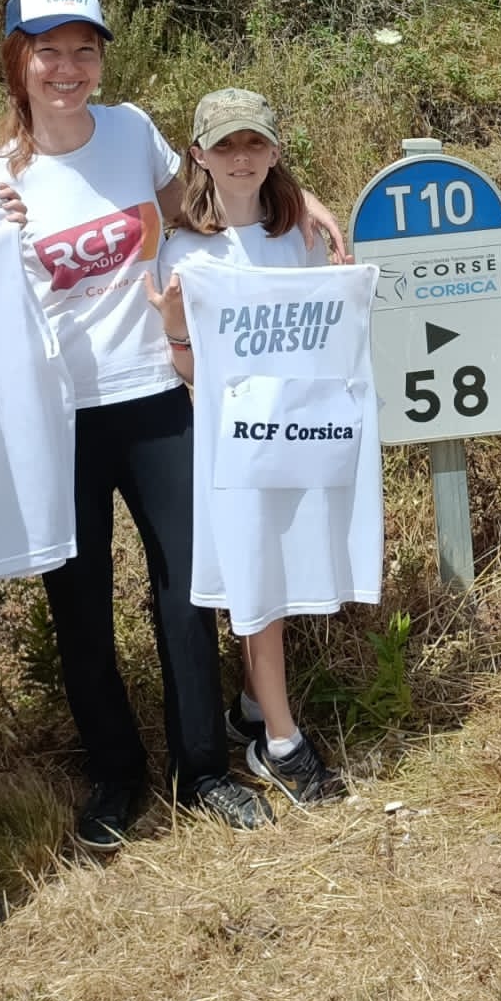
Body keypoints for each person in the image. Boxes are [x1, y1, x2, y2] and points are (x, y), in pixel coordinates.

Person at [0, 0, 344, 847]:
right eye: (47, 52)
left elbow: (206, 209)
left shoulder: (132, 131)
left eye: (84, 50)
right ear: (17, 62)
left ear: (102, 59)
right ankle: (114, 775)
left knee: (190, 587)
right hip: (58, 416)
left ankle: (203, 768)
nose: (67, 68)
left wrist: (301, 201)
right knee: (80, 602)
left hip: (155, 394)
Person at [144, 88, 347, 809]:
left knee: (283, 575)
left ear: (275, 150)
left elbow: (322, 338)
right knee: (257, 583)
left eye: (254, 143)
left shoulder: (298, 237)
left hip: (297, 433)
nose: (240, 158)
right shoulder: (183, 249)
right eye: (225, 145)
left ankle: (255, 708)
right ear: (198, 154)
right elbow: (190, 370)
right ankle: (280, 743)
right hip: (230, 444)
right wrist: (176, 328)